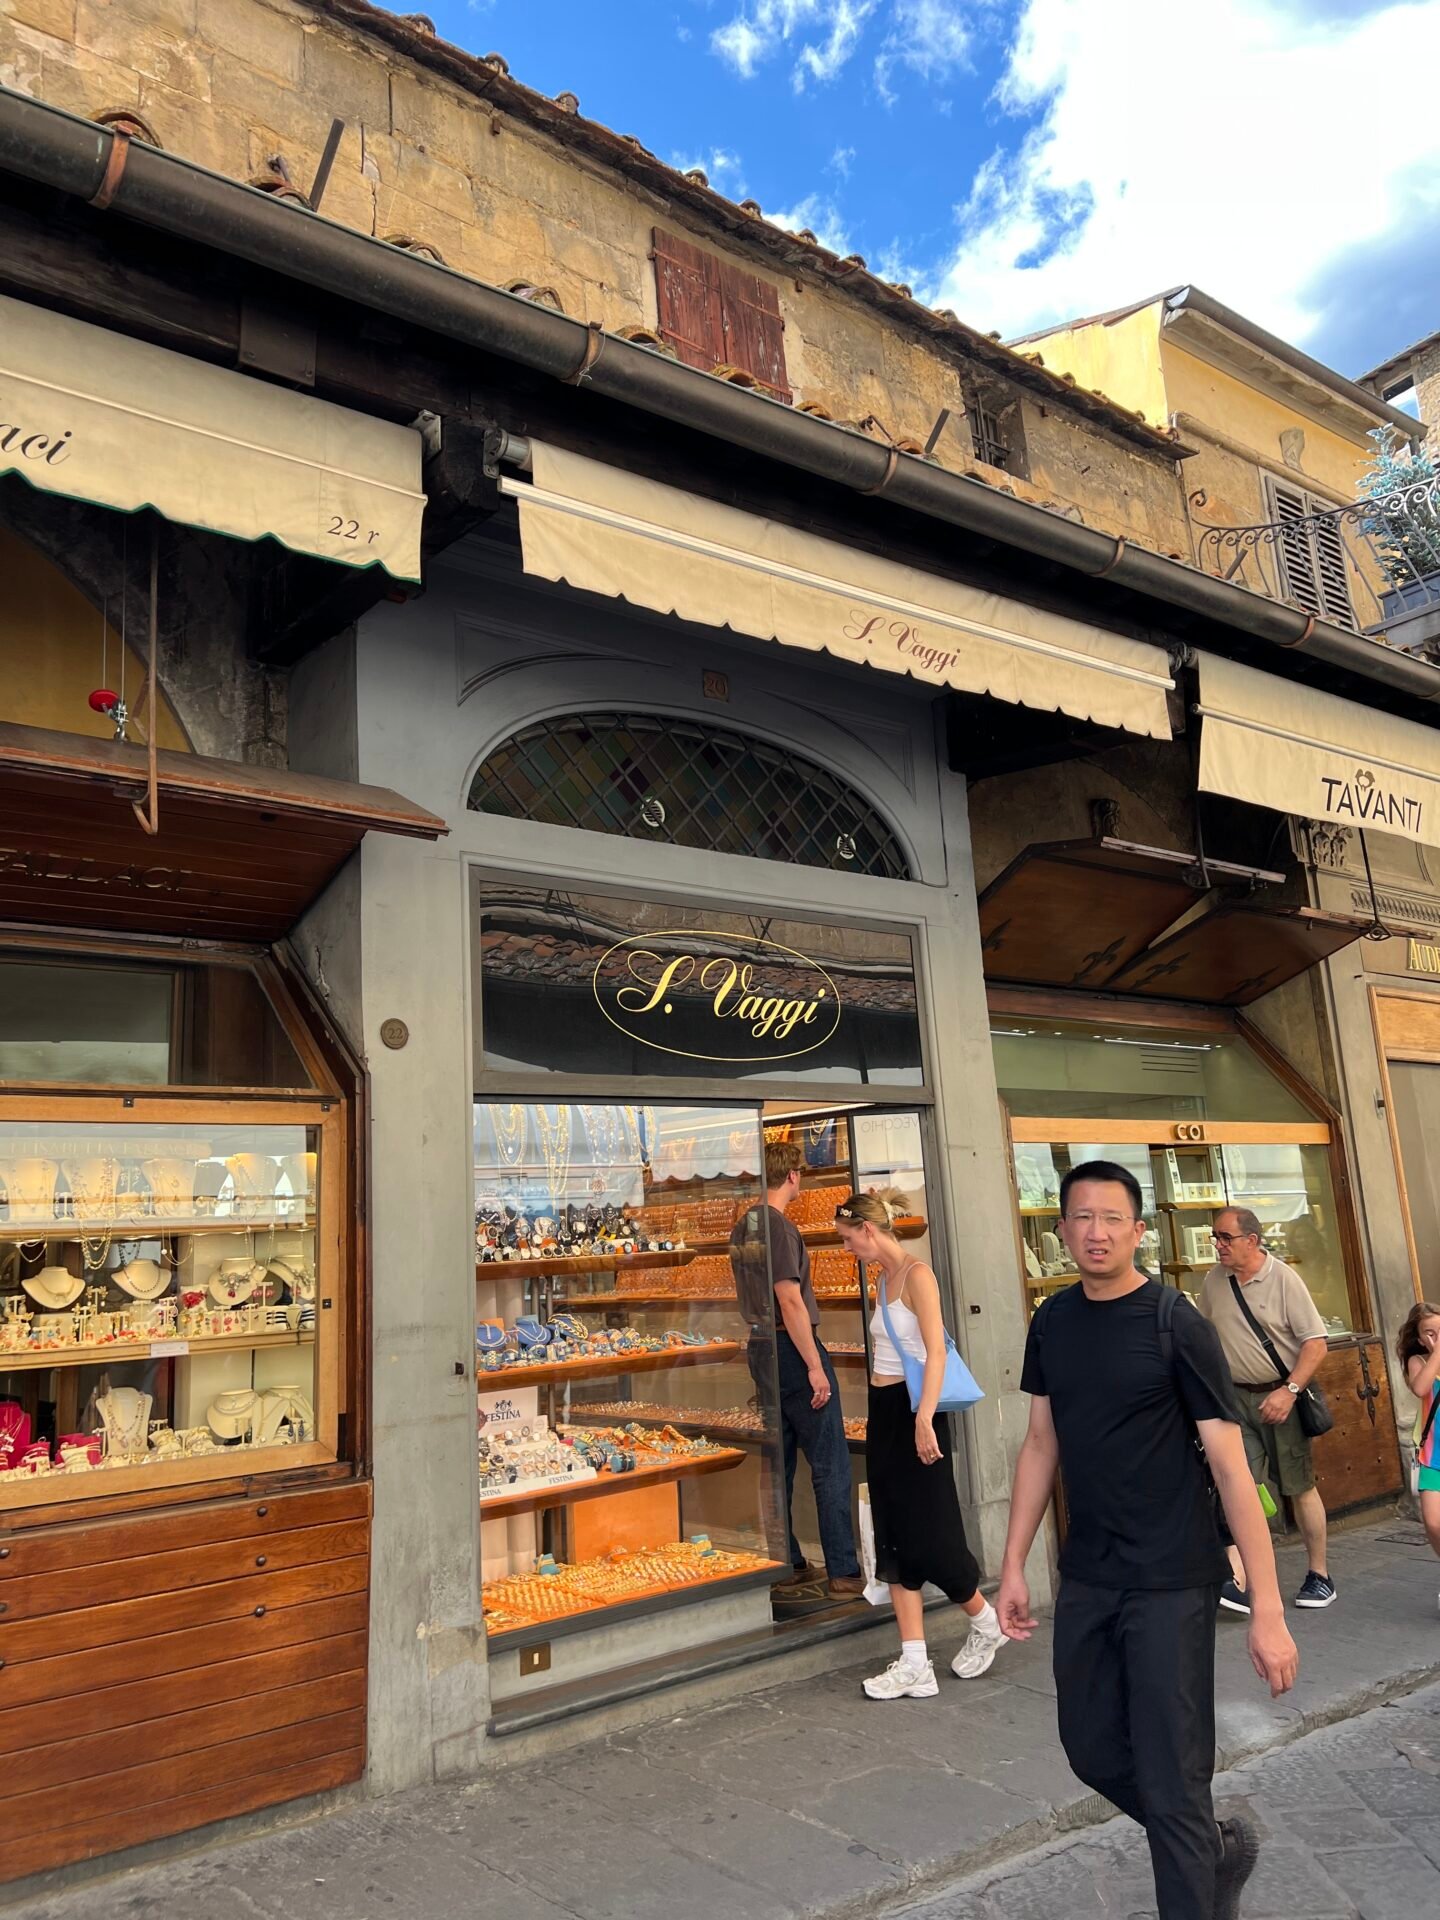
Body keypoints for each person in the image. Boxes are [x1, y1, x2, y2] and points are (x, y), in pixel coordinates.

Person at [997, 1160, 1298, 1920]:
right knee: (1091, 1749)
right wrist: (1011, 1566)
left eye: (1110, 1219)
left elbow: (1231, 1469)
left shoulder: (1175, 1323)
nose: (1094, 1232)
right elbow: (1040, 1445)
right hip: (1091, 1575)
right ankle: (1209, 1845)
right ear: (1059, 1229)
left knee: (1171, 1777)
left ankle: (1194, 1864)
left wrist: (1267, 1609)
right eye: (1080, 1218)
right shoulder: (1053, 1321)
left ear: (1138, 1231)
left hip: (1173, 1580)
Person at [832, 1189, 1004, 1699]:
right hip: (885, 1413)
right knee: (893, 1532)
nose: (847, 1250)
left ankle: (985, 1620)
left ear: (868, 1230)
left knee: (933, 1534)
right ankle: (914, 1661)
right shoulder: (881, 1280)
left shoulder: (918, 1276)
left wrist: (925, 1418)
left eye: (847, 1240)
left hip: (917, 1412)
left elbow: (936, 1353)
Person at [730, 1140, 862, 1599]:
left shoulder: (743, 1226)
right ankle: (843, 1570)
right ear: (791, 1176)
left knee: (779, 1460)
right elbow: (789, 1298)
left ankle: (787, 1561)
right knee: (829, 1462)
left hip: (760, 1346)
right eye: (800, 1173)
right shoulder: (779, 1228)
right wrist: (815, 1366)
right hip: (790, 1345)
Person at [1198, 1207, 1334, 1613]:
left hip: (1282, 1397)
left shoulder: (1283, 1279)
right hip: (1235, 1399)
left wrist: (1289, 1390)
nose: (1218, 1245)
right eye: (1214, 1237)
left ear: (1252, 1241)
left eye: (1225, 1237)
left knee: (1299, 1486)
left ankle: (1320, 1575)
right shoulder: (1213, 1280)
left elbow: (1316, 1343)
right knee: (1240, 1485)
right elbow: (1203, 1333)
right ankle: (1242, 1580)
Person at [1396, 1300, 1440, 1612]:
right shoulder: (1418, 1361)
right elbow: (1421, 1388)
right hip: (1433, 1455)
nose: (1436, 1336)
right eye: (1430, 1332)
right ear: (1419, 1336)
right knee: (1434, 1524)